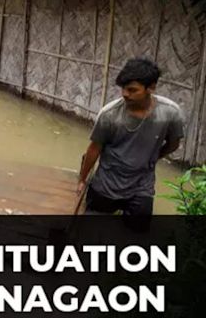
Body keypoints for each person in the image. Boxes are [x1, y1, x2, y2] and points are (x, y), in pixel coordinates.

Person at [78, 58, 184, 216]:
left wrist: (152, 158)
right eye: (124, 89)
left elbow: (173, 144)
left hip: (141, 185)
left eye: (132, 90)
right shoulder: (110, 114)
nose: (125, 94)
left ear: (151, 88)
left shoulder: (169, 113)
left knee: (139, 230)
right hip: (107, 182)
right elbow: (94, 149)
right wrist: (82, 179)